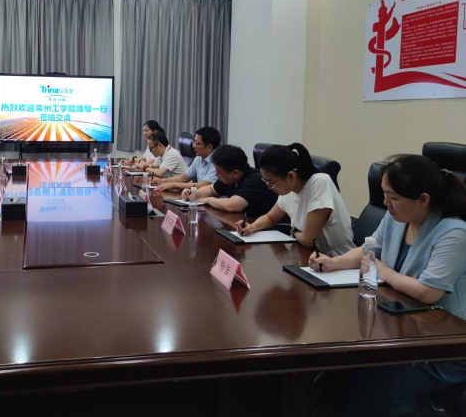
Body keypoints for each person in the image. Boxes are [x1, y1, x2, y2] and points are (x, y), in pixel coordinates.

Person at [310, 154, 466, 416]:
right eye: (384, 193)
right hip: (407, 327)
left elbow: (428, 292)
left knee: (379, 388)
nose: (385, 203)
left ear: (423, 199)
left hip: (449, 344)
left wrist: (380, 269)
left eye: (393, 196)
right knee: (340, 375)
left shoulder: (455, 233)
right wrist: (333, 262)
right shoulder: (396, 219)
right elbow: (369, 249)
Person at [235, 143, 354, 257]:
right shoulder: (289, 190)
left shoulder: (319, 183)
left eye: (272, 182)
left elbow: (309, 240)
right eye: (266, 181)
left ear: (291, 176)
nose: (269, 187)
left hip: (336, 259)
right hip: (307, 254)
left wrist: (294, 233)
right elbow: (270, 218)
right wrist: (251, 227)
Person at [181, 144, 277, 219]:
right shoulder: (229, 178)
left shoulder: (255, 180)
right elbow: (211, 189)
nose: (216, 175)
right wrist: (193, 194)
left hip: (266, 230)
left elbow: (231, 206)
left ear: (235, 173)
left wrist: (208, 200)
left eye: (219, 172)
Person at [153, 126, 221, 192]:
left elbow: (203, 185)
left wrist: (173, 185)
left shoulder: (217, 162)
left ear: (209, 147)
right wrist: (162, 181)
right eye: (194, 142)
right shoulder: (198, 158)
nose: (193, 146)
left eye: (197, 143)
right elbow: (184, 177)